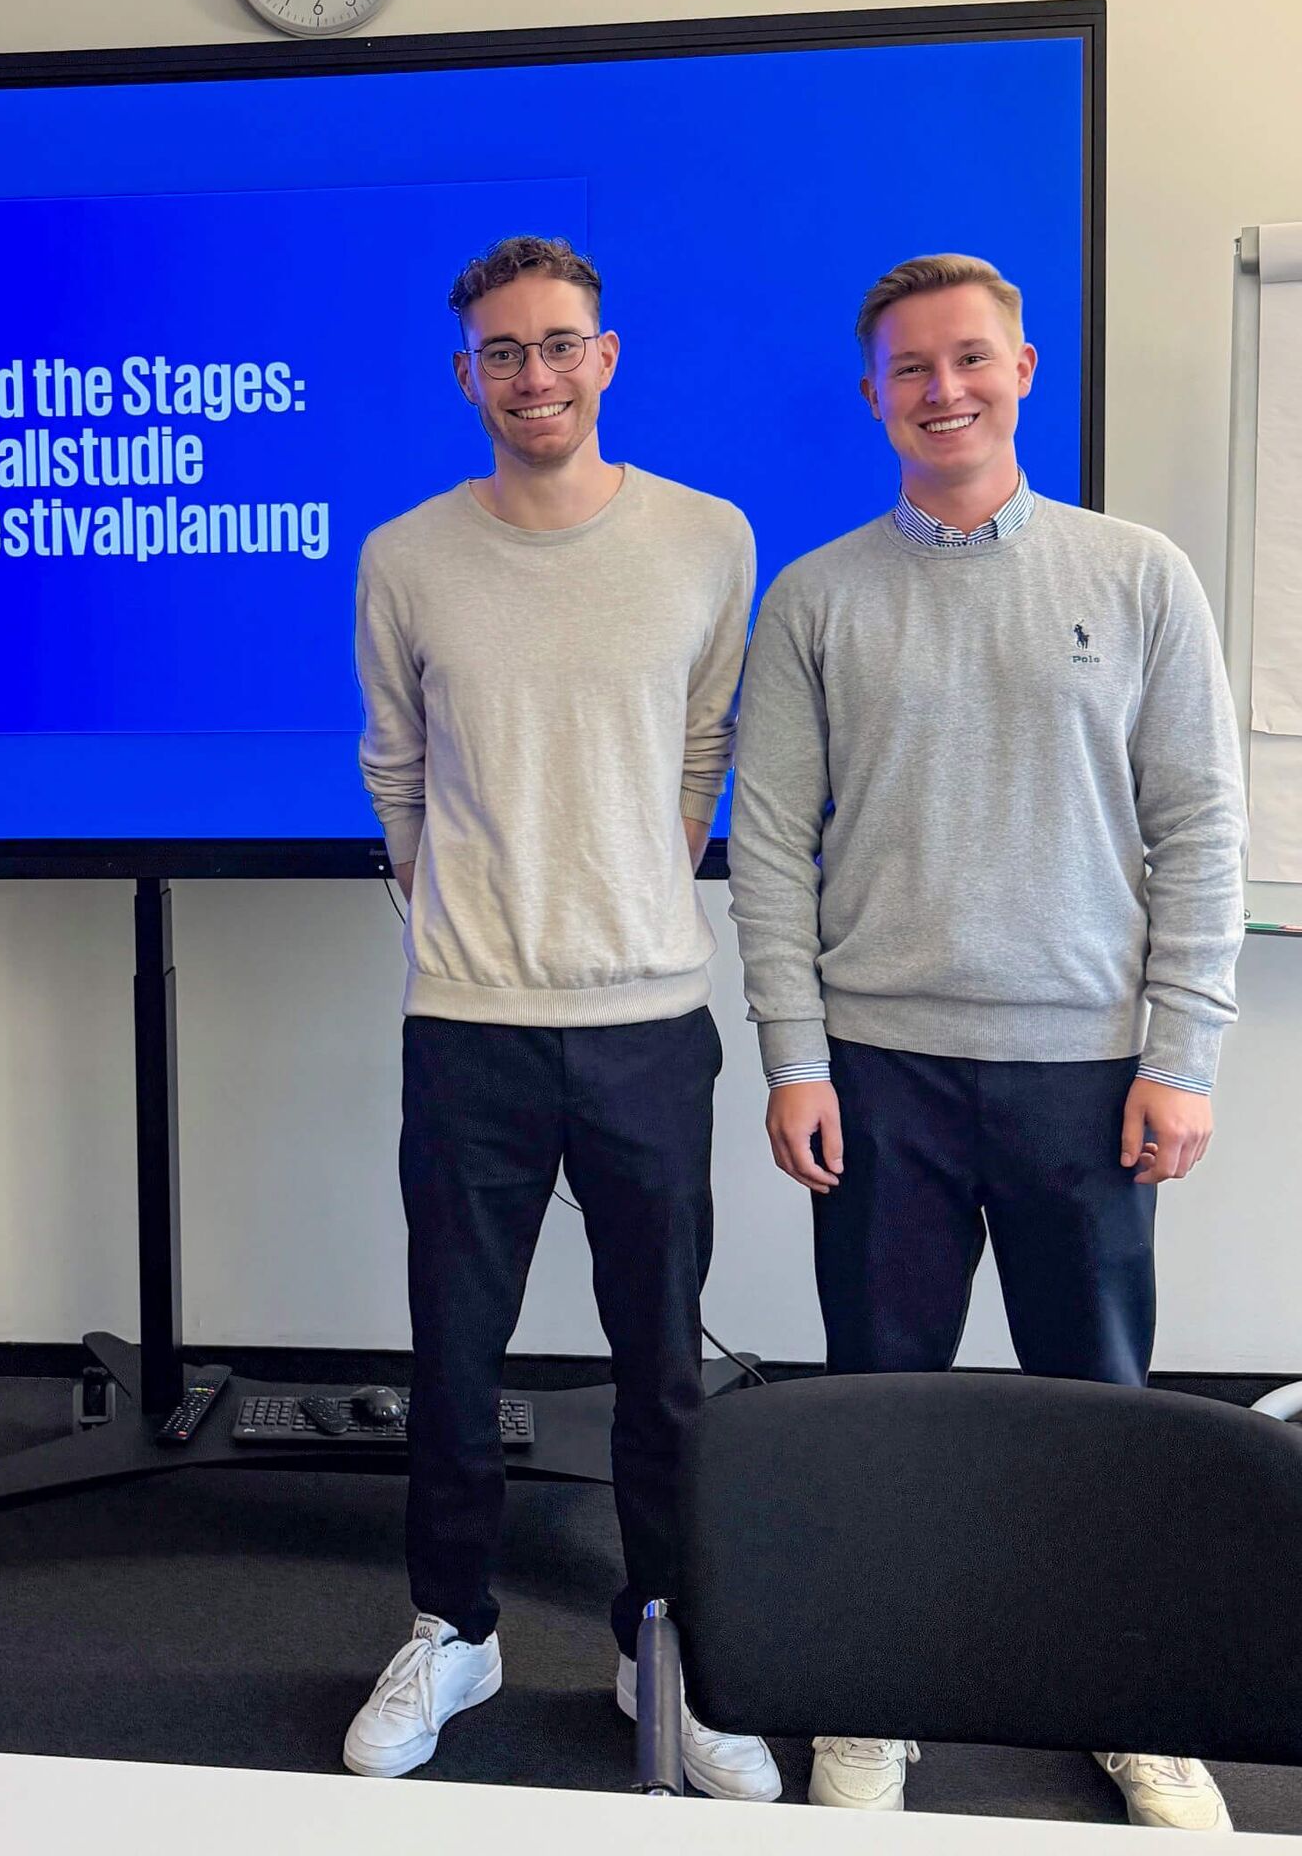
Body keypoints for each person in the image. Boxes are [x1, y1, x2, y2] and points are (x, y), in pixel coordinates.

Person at [729, 253, 1245, 1830]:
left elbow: (1202, 824)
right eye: (911, 368)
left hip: (1088, 1074)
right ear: (872, 395)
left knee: (1102, 1413)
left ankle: (1130, 1703)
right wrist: (795, 1055)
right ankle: (873, 1701)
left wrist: (1184, 1054)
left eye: (969, 359)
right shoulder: (817, 598)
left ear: (1023, 370)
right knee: (881, 1408)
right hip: (880, 1069)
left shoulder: (1138, 575)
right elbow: (770, 846)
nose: (942, 389)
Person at [345, 234, 778, 1799]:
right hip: (469, 1022)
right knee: (456, 1359)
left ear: (606, 357)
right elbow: (395, 770)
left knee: (660, 1367)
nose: (533, 374)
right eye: (503, 352)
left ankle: (661, 1640)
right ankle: (453, 1629)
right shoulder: (406, 556)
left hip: (650, 1020)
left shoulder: (707, 539)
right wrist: (472, 920)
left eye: (558, 344)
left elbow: (705, 745)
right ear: (466, 374)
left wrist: (622, 893)